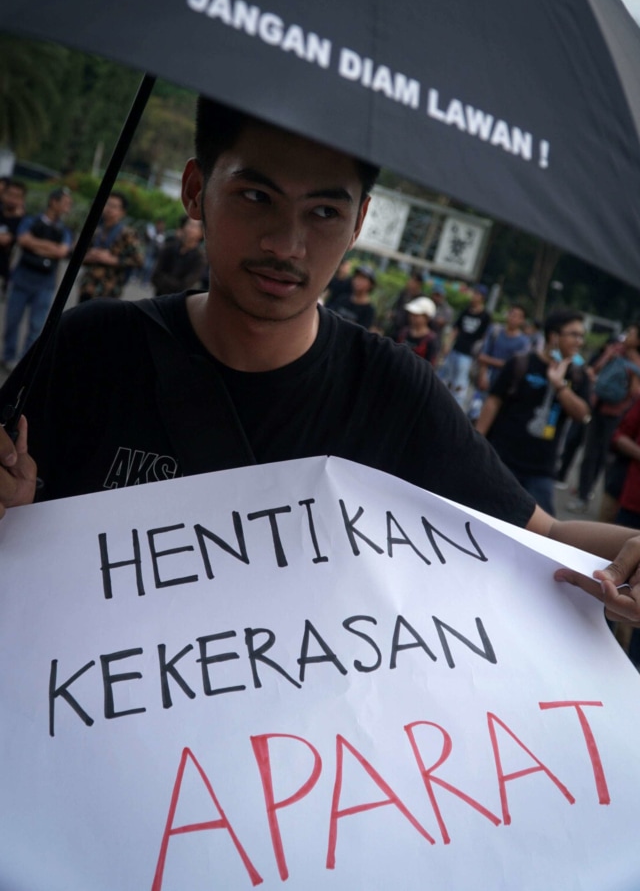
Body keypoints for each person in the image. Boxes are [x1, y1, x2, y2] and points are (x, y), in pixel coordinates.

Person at [1, 97, 640, 630]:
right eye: (256, 196)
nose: (287, 244)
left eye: (325, 212)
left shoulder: (392, 390)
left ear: (360, 221)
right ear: (196, 191)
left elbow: (542, 532)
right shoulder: (92, 348)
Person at [475, 309, 591, 514]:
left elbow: (582, 415)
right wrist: (477, 443)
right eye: (574, 334)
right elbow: (493, 402)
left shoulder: (578, 375)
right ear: (554, 336)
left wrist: (560, 385)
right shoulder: (520, 363)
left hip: (541, 471)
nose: (579, 341)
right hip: (502, 460)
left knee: (541, 533)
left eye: (582, 336)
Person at [568, 324, 640, 513]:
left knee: (606, 459)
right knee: (591, 454)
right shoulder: (616, 351)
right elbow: (595, 369)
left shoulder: (631, 361)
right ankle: (583, 495)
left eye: (631, 333)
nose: (627, 336)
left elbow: (635, 392)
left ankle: (607, 502)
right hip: (600, 407)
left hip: (619, 415)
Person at [1, 186, 73, 371]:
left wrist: (36, 245)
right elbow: (23, 239)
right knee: (12, 322)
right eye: (65, 203)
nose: (67, 207)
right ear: (53, 202)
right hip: (22, 279)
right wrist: (50, 248)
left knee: (36, 327)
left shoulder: (64, 230)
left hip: (45, 285)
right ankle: (8, 356)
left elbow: (62, 251)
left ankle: (24, 364)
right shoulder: (31, 221)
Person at [78, 191, 142, 302]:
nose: (109, 209)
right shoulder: (95, 230)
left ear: (122, 212)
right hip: (88, 287)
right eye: (107, 204)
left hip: (109, 291)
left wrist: (113, 260)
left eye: (114, 206)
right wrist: (91, 255)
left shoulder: (127, 234)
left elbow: (139, 261)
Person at [438, 283, 492, 409]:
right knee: (446, 379)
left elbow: (485, 337)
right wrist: (447, 344)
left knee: (460, 383)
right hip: (456, 349)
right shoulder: (466, 311)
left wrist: (480, 354)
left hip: (469, 354)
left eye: (477, 294)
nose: (474, 296)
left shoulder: (485, 316)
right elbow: (455, 329)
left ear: (482, 297)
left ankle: (455, 408)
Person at [152, 216, 205, 297]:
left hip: (176, 303)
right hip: (158, 297)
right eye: (189, 225)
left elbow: (185, 286)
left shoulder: (200, 258)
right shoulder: (169, 248)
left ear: (201, 233)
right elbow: (155, 276)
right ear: (183, 227)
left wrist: (165, 280)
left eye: (195, 226)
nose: (190, 229)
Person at [328, 263, 376, 329]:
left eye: (363, 278)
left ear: (371, 284)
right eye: (357, 277)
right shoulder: (342, 299)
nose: (358, 281)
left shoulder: (368, 310)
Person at [0, 179, 27, 296]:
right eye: (9, 194)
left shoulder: (25, 223)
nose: (12, 199)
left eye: (17, 196)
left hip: (5, 275)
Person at [395, 296, 438, 363]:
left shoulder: (431, 340)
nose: (412, 317)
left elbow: (430, 364)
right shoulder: (404, 332)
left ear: (427, 318)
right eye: (411, 314)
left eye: (416, 315)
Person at [385, 268, 424, 339]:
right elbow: (397, 307)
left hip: (408, 332)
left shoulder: (421, 299)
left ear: (418, 284)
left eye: (412, 280)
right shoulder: (404, 293)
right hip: (395, 327)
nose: (409, 282)